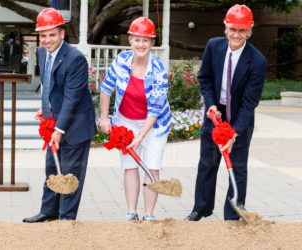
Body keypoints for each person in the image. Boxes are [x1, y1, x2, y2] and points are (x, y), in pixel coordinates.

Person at [184, 4, 266, 221]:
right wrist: (210, 104)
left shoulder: (257, 61)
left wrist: (234, 133)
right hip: (215, 113)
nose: (236, 34)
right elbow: (205, 78)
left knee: (237, 168)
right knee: (207, 164)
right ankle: (200, 208)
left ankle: (233, 213)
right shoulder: (213, 46)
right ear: (226, 28)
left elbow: (250, 103)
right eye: (233, 29)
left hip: (240, 116)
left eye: (241, 30)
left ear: (249, 31)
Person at [23, 8, 96, 223]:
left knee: (69, 175)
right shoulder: (42, 52)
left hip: (75, 126)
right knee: (52, 169)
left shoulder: (76, 60)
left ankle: (66, 218)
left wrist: (59, 129)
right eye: (43, 35)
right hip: (57, 120)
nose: (47, 40)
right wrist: (46, 109)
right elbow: (51, 86)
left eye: (52, 34)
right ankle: (49, 210)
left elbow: (72, 98)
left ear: (62, 34)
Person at [99, 17, 171, 221]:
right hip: (125, 121)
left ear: (151, 43)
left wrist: (140, 136)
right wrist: (104, 118)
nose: (141, 45)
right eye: (137, 40)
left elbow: (155, 110)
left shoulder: (158, 71)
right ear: (130, 40)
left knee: (152, 167)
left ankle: (148, 214)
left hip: (154, 125)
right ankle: (132, 212)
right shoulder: (121, 61)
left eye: (145, 40)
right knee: (130, 166)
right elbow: (106, 89)